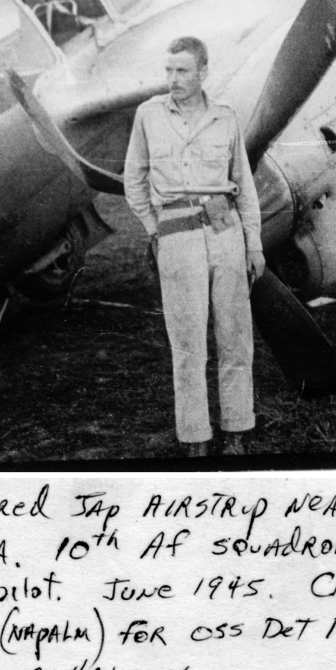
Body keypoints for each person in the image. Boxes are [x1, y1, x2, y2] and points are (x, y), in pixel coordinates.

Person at [124, 36, 265, 456]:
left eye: (182, 71)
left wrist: (253, 244)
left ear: (203, 72)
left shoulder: (226, 118)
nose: (173, 79)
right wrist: (155, 229)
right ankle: (195, 438)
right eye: (168, 70)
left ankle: (237, 430)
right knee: (187, 343)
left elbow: (245, 186)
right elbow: (134, 180)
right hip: (177, 235)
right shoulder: (147, 115)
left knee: (235, 336)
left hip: (225, 232)